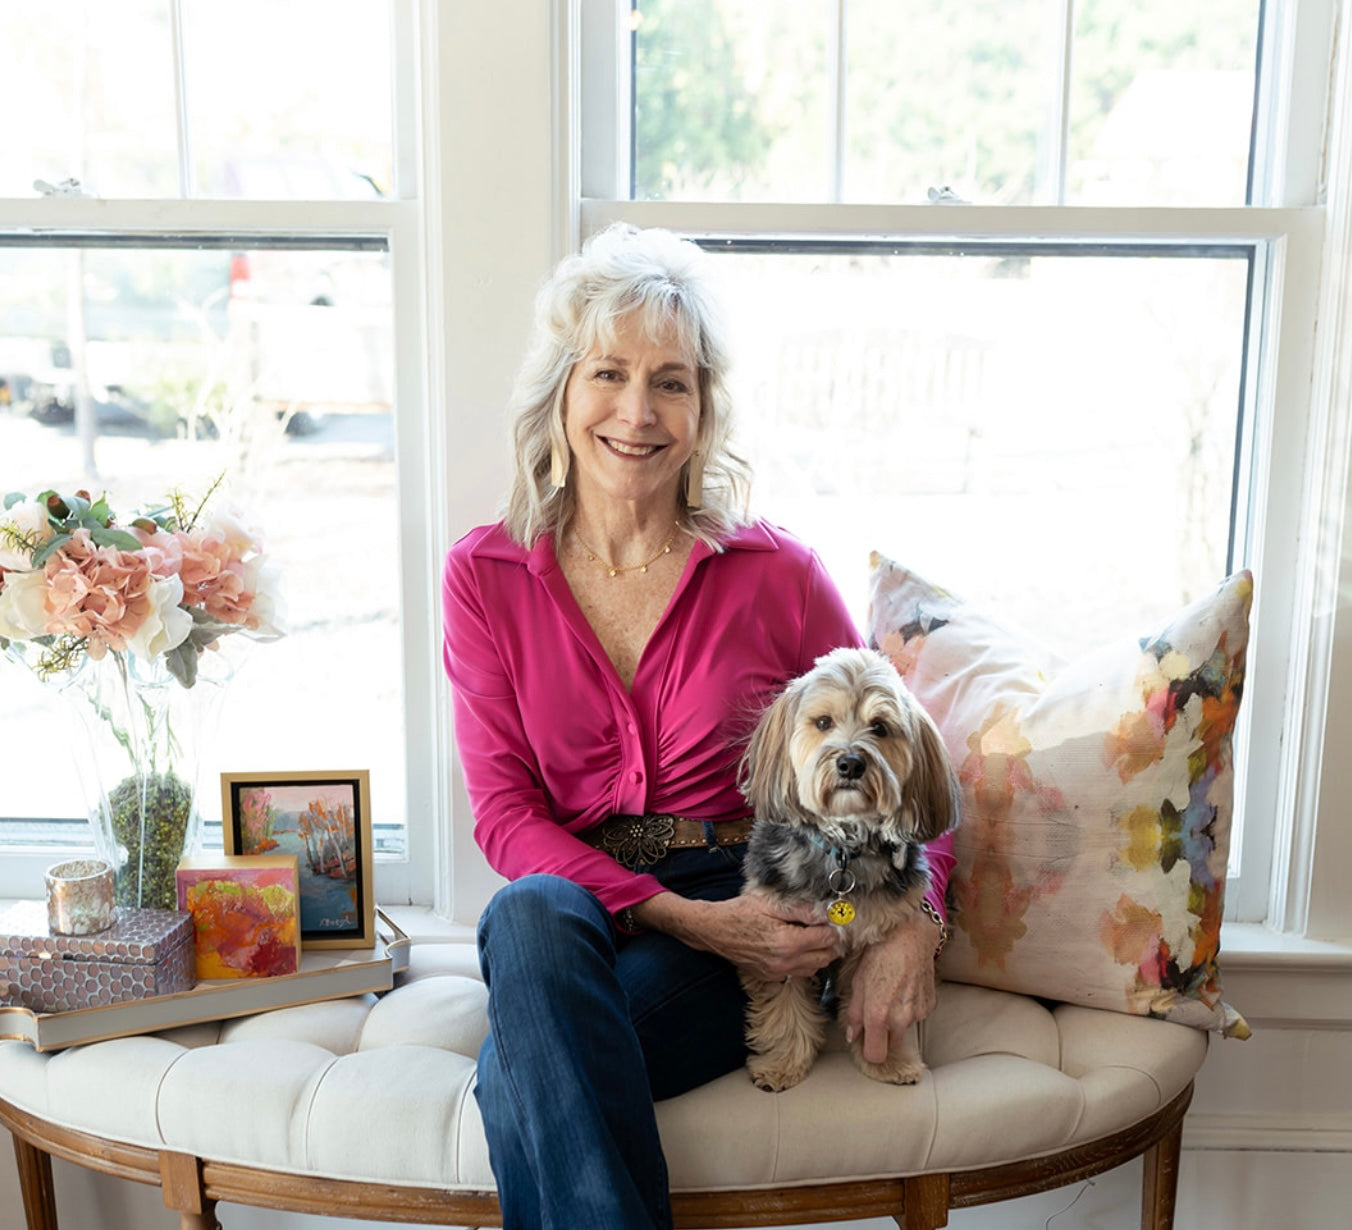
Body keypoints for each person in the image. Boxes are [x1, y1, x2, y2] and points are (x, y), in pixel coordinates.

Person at [441, 223, 955, 1230]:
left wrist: (914, 926)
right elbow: (503, 816)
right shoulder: (484, 576)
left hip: (755, 903)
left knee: (522, 1072)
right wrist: (671, 912)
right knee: (525, 912)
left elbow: (882, 755)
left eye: (670, 382)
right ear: (560, 391)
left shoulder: (777, 574)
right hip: (585, 912)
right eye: (609, 374)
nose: (636, 412)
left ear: (703, 409)